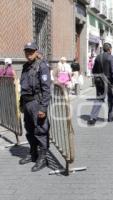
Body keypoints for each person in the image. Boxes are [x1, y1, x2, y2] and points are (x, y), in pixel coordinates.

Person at [18, 42, 51, 172]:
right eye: (26, 51)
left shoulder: (42, 66)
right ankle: (33, 154)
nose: (28, 54)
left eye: (31, 51)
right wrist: (21, 103)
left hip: (37, 103)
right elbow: (24, 86)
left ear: (37, 52)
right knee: (30, 130)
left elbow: (46, 89)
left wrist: (43, 108)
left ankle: (43, 158)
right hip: (27, 103)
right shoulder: (26, 66)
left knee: (41, 131)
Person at [88, 42, 113, 125]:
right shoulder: (112, 58)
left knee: (99, 99)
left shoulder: (98, 58)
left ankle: (93, 118)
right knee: (111, 99)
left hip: (99, 82)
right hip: (110, 82)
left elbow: (93, 70)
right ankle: (110, 117)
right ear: (110, 49)